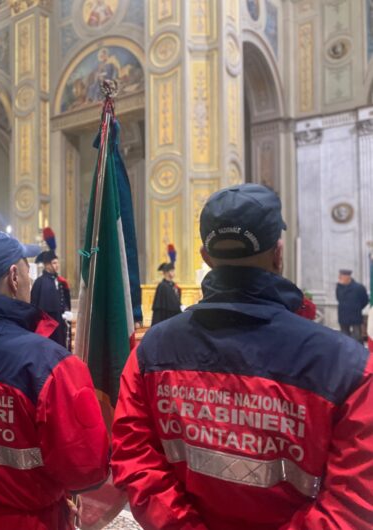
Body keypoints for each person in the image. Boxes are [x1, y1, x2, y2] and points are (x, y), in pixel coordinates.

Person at [112, 183, 373, 529]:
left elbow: (135, 460)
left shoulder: (150, 351)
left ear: (205, 257)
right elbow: (352, 502)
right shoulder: (348, 367)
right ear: (278, 254)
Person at [0, 231, 109, 530]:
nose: (28, 276)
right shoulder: (50, 363)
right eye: (26, 267)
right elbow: (85, 468)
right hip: (28, 520)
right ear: (14, 276)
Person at [30, 250, 72, 349]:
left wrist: (66, 310)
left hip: (60, 323)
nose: (57, 265)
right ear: (46, 265)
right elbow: (34, 305)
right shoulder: (39, 282)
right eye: (54, 263)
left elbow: (64, 299)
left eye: (57, 262)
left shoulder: (60, 280)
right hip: (46, 325)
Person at [336, 269, 368, 342]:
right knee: (345, 338)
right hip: (343, 315)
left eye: (341, 276)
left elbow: (365, 300)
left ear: (348, 277)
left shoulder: (359, 287)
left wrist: (356, 308)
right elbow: (338, 298)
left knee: (357, 337)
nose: (339, 278)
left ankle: (359, 352)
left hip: (355, 316)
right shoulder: (339, 287)